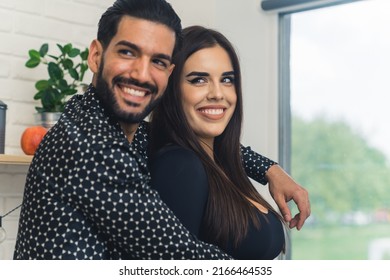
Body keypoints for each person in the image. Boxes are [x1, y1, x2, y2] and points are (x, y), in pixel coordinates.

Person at [14, 0, 309, 260]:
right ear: (95, 56)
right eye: (128, 52)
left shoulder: (113, 127)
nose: (142, 74)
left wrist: (269, 169)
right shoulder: (92, 145)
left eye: (157, 61)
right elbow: (180, 257)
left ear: (168, 73)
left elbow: (187, 136)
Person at [149, 26, 287, 259]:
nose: (217, 94)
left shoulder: (223, 165)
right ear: (171, 89)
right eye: (199, 80)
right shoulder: (180, 166)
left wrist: (270, 169)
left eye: (227, 80)